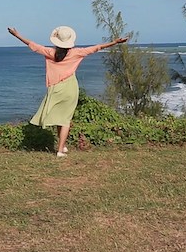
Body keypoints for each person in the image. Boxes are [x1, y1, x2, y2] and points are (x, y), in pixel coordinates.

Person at [7, 26, 127, 157]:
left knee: (61, 118)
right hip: (70, 87)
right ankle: (60, 150)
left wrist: (16, 35)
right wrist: (115, 42)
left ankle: (62, 147)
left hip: (55, 88)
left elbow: (32, 44)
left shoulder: (49, 52)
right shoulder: (76, 53)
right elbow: (97, 47)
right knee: (65, 119)